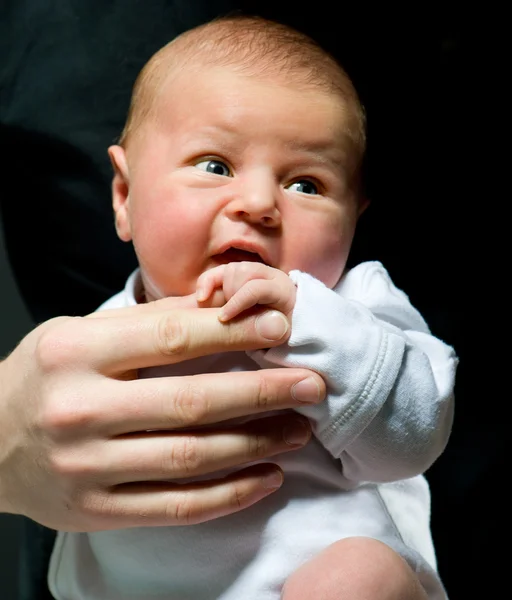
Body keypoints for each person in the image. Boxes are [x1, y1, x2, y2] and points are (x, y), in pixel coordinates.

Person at [45, 15, 457, 600]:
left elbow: (414, 440)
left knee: (360, 577)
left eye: (306, 185)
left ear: (353, 220)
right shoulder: (88, 341)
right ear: (124, 197)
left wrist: (304, 323)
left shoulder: (355, 309)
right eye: (216, 166)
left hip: (313, 581)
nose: (260, 203)